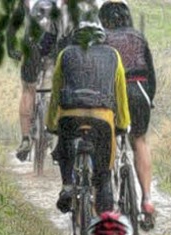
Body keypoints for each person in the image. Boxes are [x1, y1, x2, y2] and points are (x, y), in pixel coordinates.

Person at [47, 4, 130, 215]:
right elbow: (120, 95)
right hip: (103, 118)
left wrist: (51, 124)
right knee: (103, 176)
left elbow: (56, 93)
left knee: (64, 149)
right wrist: (123, 124)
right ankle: (103, 228)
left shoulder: (65, 54)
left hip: (69, 116)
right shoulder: (114, 56)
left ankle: (67, 186)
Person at [99, 0, 157, 226]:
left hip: (113, 93)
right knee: (139, 140)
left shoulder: (102, 38)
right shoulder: (139, 37)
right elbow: (151, 74)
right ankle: (147, 199)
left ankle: (106, 197)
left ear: (103, 20)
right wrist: (149, 99)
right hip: (140, 90)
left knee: (109, 139)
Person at [7, 0, 71, 161]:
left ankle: (25, 139)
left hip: (31, 46)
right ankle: (55, 136)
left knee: (28, 90)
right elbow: (68, 25)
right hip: (54, 46)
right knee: (56, 89)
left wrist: (10, 47)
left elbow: (15, 22)